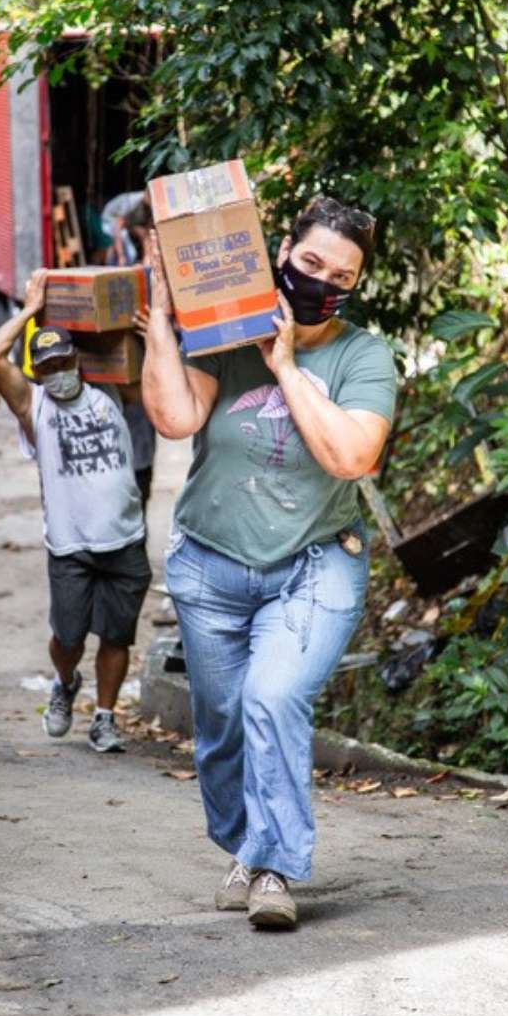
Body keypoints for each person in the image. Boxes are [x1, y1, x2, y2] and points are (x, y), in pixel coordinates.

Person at [140, 196, 397, 928]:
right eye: (311, 262)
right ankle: (247, 848)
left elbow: (351, 455)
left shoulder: (363, 356)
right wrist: (162, 315)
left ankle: (277, 868)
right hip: (211, 564)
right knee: (219, 720)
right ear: (283, 251)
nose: (322, 281)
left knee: (273, 698)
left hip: (314, 565)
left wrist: (284, 364)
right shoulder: (226, 330)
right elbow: (175, 417)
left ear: (355, 286)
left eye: (341, 276)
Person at [0, 271, 152, 754]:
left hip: (124, 539)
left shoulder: (112, 393)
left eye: (62, 359)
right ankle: (64, 682)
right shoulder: (34, 407)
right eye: (47, 363)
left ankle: (104, 717)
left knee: (117, 637)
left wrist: (149, 334)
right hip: (70, 545)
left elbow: (153, 382)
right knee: (68, 636)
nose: (56, 369)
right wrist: (30, 310)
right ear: (37, 369)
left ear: (77, 359)